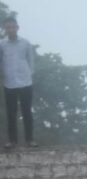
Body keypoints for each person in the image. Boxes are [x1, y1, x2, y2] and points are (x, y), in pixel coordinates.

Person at [1, 15, 35, 148]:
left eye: (13, 27)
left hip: (25, 82)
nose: (10, 29)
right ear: (5, 29)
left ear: (17, 28)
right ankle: (12, 141)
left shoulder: (25, 43)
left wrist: (29, 75)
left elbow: (31, 62)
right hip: (9, 83)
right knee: (11, 112)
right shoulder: (2, 45)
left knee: (27, 111)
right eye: (8, 27)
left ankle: (30, 140)